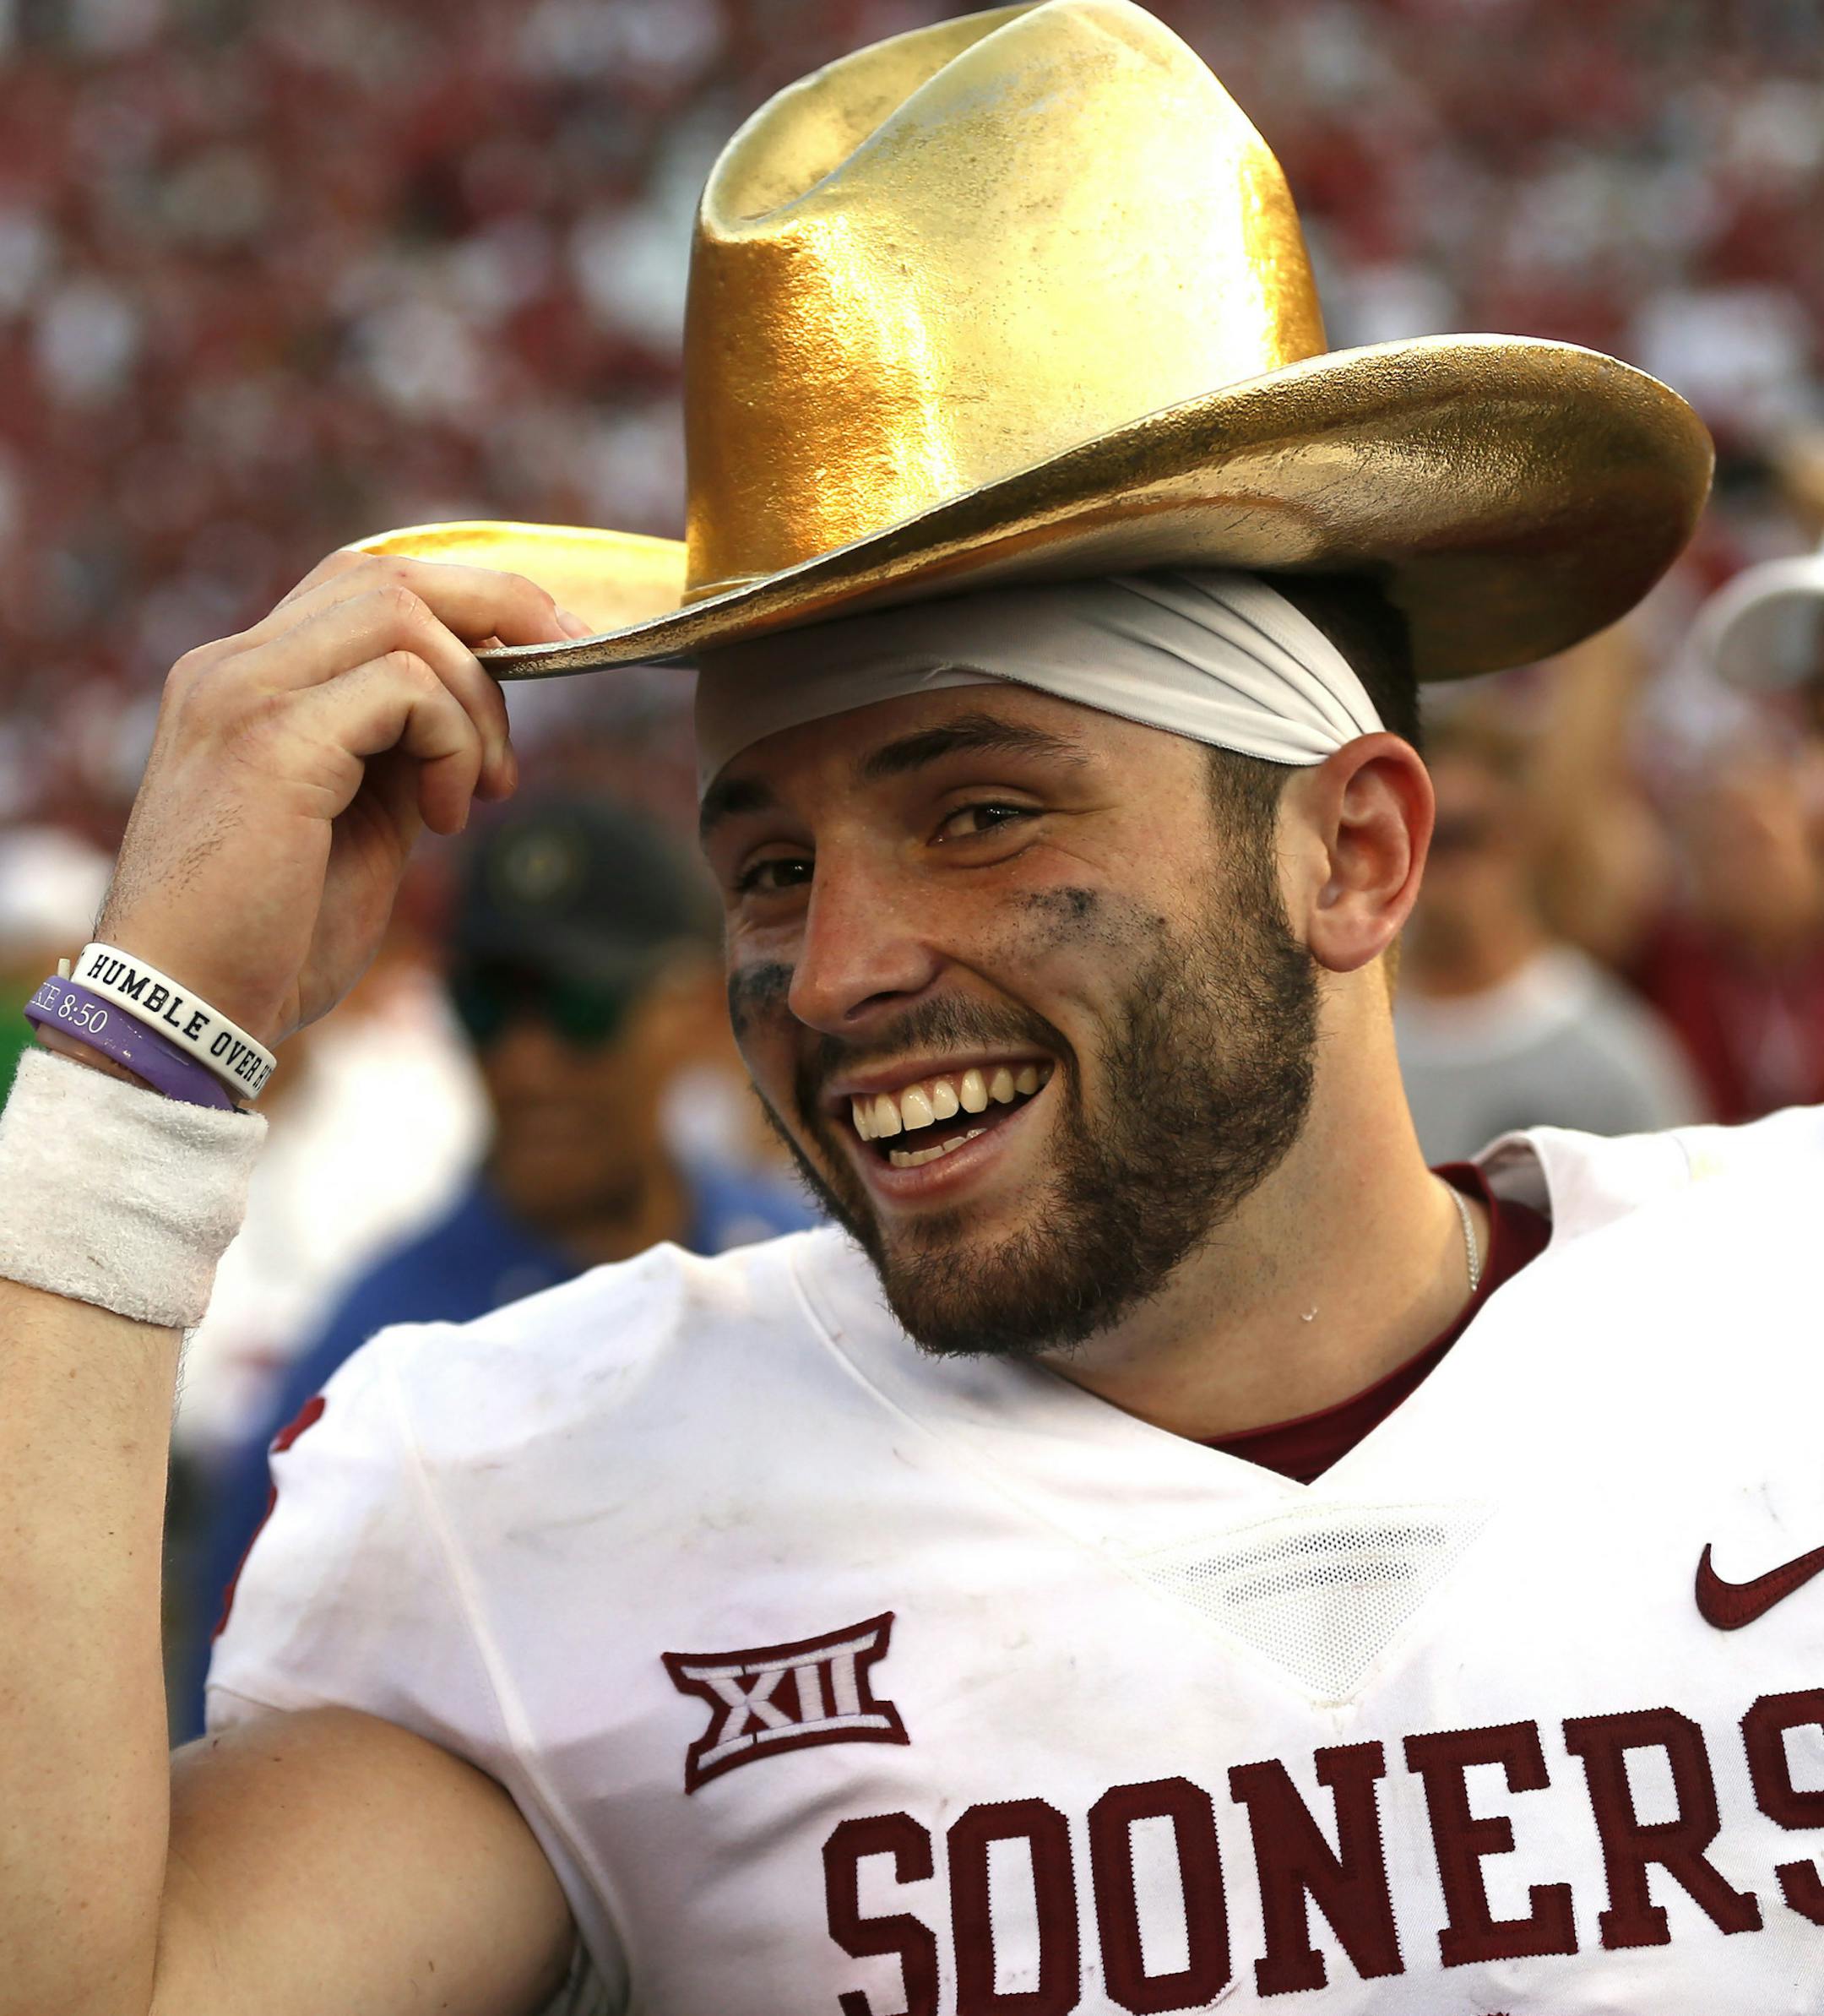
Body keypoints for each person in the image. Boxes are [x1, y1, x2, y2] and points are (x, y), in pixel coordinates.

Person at [4, 8, 1816, 2016]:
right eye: (766, 863)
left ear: (1353, 854)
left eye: (976, 811)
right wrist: (132, 1072)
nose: (835, 966)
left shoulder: (1782, 1313)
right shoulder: (558, 1498)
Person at [176, 791, 815, 1738]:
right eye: (484, 1009)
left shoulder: (806, 1268)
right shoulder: (377, 1355)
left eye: (579, 1007)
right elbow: (227, 1721)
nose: (523, 1064)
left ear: (685, 1011)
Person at [1394, 704, 1707, 1160]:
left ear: (1523, 836)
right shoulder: (1351, 1042)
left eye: (1466, 834)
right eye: (1421, 838)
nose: (1444, 868)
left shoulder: (1612, 1056)